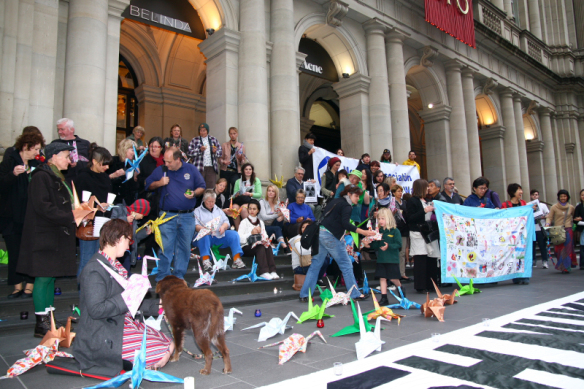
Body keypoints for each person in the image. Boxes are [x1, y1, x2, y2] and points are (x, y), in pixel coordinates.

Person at [73, 219, 173, 376]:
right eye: (128, 240)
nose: (129, 246)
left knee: (168, 342)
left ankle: (140, 359)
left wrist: (160, 304)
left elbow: (132, 302)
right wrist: (127, 296)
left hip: (118, 324)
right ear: (118, 239)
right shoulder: (94, 270)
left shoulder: (114, 266)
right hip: (101, 334)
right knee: (164, 348)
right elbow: (96, 310)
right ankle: (139, 359)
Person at [17, 142, 77, 337]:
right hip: (43, 236)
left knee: (50, 277)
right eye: (67, 156)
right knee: (42, 278)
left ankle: (49, 318)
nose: (70, 160)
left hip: (55, 235)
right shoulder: (41, 177)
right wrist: (71, 216)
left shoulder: (56, 176)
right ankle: (41, 322)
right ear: (53, 156)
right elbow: (43, 208)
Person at [299, 185, 376, 302]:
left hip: (320, 234)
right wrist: (363, 231)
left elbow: (330, 218)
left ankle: (304, 295)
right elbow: (345, 223)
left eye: (359, 197)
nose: (358, 199)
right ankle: (354, 293)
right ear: (349, 194)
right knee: (346, 264)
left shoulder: (335, 201)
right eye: (356, 196)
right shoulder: (347, 206)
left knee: (315, 265)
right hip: (330, 236)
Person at [145, 149, 206, 282]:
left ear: (178, 159)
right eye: (165, 161)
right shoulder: (161, 170)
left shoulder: (191, 169)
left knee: (184, 248)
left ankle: (178, 277)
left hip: (187, 216)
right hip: (167, 216)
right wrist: (159, 183)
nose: (166, 164)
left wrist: (194, 193)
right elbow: (147, 185)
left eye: (169, 161)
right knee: (165, 247)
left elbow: (202, 186)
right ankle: (163, 278)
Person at [0, 129, 45, 299]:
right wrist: (13, 174)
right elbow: (2, 185)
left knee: (30, 251)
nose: (38, 153)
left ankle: (29, 286)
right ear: (25, 147)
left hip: (30, 216)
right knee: (14, 252)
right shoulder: (9, 161)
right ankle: (17, 286)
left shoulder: (38, 165)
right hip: (10, 216)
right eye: (35, 149)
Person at [74, 143, 113, 278]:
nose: (106, 167)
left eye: (108, 164)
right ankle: (83, 294)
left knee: (99, 260)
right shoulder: (83, 177)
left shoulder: (105, 177)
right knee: (87, 259)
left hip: (103, 221)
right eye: (104, 164)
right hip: (89, 222)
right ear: (94, 161)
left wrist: (108, 205)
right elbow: (79, 203)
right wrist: (96, 206)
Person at [193, 189, 245, 271]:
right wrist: (203, 229)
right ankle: (206, 260)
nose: (211, 204)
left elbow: (226, 222)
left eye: (213, 202)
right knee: (204, 234)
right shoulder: (197, 211)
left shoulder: (218, 210)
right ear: (204, 200)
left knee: (234, 234)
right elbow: (195, 226)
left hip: (219, 235)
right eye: (209, 201)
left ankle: (237, 259)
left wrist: (223, 227)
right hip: (204, 237)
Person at [364, 208, 402, 305]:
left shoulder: (395, 231)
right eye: (379, 219)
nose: (380, 221)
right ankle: (384, 298)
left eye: (383, 218)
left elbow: (399, 244)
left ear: (389, 218)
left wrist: (389, 246)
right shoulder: (379, 232)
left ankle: (400, 289)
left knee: (393, 278)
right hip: (381, 259)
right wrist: (369, 246)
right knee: (382, 278)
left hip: (392, 259)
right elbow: (377, 245)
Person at [406, 179, 437, 293]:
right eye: (426, 187)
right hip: (418, 233)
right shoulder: (412, 201)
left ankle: (431, 284)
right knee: (420, 259)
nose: (428, 189)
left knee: (431, 259)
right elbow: (410, 218)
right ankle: (420, 285)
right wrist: (424, 210)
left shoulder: (428, 200)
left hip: (428, 232)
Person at [238, 199, 279, 279]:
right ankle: (264, 271)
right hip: (246, 247)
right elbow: (239, 239)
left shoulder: (261, 222)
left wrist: (265, 240)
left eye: (254, 209)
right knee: (260, 247)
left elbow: (265, 236)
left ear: (258, 210)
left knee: (267, 246)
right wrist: (251, 233)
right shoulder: (244, 222)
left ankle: (273, 271)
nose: (252, 211)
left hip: (258, 245)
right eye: (250, 208)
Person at [138, 137, 164, 255]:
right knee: (150, 226)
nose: (153, 149)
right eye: (151, 146)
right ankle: (149, 253)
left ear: (161, 148)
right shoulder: (144, 160)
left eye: (156, 146)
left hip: (164, 198)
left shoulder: (166, 160)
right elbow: (141, 179)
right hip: (150, 198)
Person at [111, 199, 152, 272]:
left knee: (126, 272)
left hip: (127, 251)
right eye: (142, 215)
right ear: (138, 211)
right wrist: (125, 219)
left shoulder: (134, 222)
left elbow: (135, 238)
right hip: (115, 249)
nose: (142, 218)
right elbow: (110, 223)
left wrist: (145, 233)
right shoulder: (119, 210)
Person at [501, 183, 530, 284]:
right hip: (511, 235)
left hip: (523, 234)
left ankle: (525, 276)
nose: (521, 192)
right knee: (513, 255)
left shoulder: (523, 203)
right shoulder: (505, 204)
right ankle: (516, 276)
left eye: (521, 190)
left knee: (523, 254)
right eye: (519, 190)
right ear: (513, 192)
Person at [546, 189, 576, 273]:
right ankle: (563, 264)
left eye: (565, 196)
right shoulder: (554, 207)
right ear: (558, 197)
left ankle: (566, 267)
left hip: (568, 229)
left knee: (567, 248)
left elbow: (574, 217)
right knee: (558, 249)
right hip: (557, 230)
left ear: (567, 197)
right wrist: (547, 224)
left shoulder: (571, 207)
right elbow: (550, 217)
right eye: (561, 196)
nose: (563, 198)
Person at [188, 123, 223, 190]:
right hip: (199, 167)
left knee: (210, 188)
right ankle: (199, 200)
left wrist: (215, 152)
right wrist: (199, 150)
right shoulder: (195, 140)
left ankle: (209, 200)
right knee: (199, 186)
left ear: (207, 131)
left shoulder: (213, 139)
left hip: (211, 167)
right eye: (201, 130)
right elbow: (189, 153)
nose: (202, 132)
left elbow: (220, 153)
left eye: (204, 130)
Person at [107, 138, 139, 206]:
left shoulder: (132, 165)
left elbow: (134, 187)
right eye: (132, 150)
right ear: (125, 149)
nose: (134, 153)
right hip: (113, 200)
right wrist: (114, 175)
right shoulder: (112, 161)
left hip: (127, 202)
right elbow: (104, 179)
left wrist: (136, 176)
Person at [259, 184, 288, 250]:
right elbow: (264, 217)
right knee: (277, 228)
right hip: (263, 227)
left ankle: (276, 239)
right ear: (266, 192)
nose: (270, 193)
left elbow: (287, 217)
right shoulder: (262, 202)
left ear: (276, 193)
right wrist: (278, 215)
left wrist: (283, 217)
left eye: (273, 191)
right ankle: (285, 246)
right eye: (269, 191)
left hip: (273, 225)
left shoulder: (278, 203)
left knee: (280, 220)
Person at [219, 126, 246, 196]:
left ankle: (233, 203)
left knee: (235, 187)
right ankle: (225, 205)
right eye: (231, 134)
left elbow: (243, 162)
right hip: (225, 170)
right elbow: (219, 159)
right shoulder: (224, 145)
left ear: (237, 134)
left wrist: (240, 158)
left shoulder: (241, 146)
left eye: (234, 133)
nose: (232, 135)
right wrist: (223, 162)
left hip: (236, 171)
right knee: (225, 190)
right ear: (229, 134)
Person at [392, 184, 410, 279]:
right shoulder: (392, 202)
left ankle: (402, 272)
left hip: (404, 228)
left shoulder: (405, 202)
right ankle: (396, 273)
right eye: (398, 191)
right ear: (393, 193)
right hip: (396, 227)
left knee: (402, 252)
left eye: (401, 191)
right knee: (396, 252)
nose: (400, 193)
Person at [529, 189, 549, 269]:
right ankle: (533, 261)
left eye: (536, 194)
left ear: (538, 196)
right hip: (532, 228)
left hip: (540, 228)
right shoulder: (529, 205)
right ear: (531, 196)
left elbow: (548, 215)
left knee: (542, 246)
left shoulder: (543, 205)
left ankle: (545, 261)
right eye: (533, 195)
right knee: (532, 246)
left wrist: (542, 217)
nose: (535, 196)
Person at [573, 189, 584, 270]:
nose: (583, 196)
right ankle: (582, 264)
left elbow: (579, 218)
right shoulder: (578, 207)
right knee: (583, 246)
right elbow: (575, 219)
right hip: (582, 229)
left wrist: (581, 218)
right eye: (582, 195)